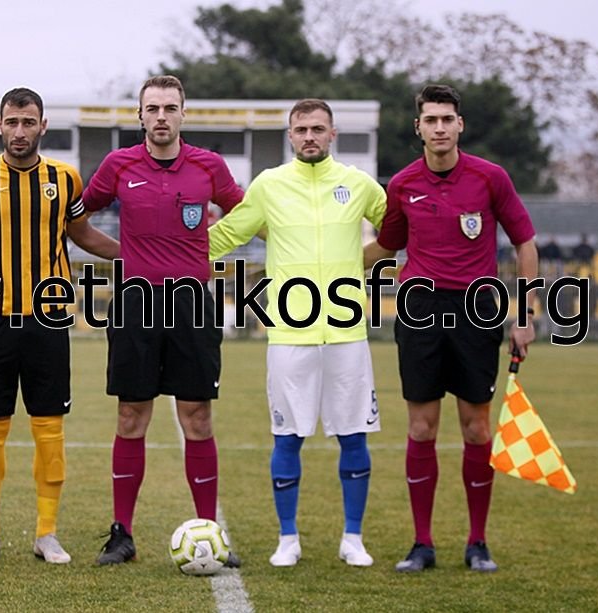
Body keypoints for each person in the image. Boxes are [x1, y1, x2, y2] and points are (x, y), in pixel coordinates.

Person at [364, 84, 538, 573]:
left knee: (476, 427)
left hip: (476, 309)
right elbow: (386, 247)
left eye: (447, 119)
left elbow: (525, 243)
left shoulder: (490, 178)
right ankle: (422, 544)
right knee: (421, 427)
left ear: (460, 125)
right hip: (419, 308)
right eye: (430, 120)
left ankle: (477, 542)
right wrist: (322, 264)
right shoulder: (402, 184)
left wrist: (525, 315)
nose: (439, 128)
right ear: (417, 127)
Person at [209, 99, 386, 568]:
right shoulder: (269, 185)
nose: (310, 136)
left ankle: (353, 538)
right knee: (287, 437)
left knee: (354, 436)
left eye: (318, 129)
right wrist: (169, 257)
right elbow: (228, 235)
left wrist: (360, 261)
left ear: (332, 134)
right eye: (301, 129)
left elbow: (399, 230)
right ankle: (287, 538)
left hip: (347, 332)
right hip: (289, 334)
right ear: (290, 136)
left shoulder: (358, 184)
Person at [0, 88, 118, 565]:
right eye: (12, 122)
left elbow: (82, 234)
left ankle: (47, 533)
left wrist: (137, 256)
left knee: (49, 428)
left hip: (49, 317)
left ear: (43, 125)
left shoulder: (64, 179)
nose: (19, 131)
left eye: (28, 122)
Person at [82, 75, 245, 566]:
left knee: (197, 415)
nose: (160, 117)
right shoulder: (118, 165)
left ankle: (209, 530)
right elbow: (76, 219)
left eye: (169, 108)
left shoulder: (208, 166)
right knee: (131, 415)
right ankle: (122, 534)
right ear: (140, 116)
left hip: (192, 301)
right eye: (152, 108)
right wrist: (123, 255)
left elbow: (245, 214)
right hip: (136, 300)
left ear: (182, 114)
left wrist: (206, 249)